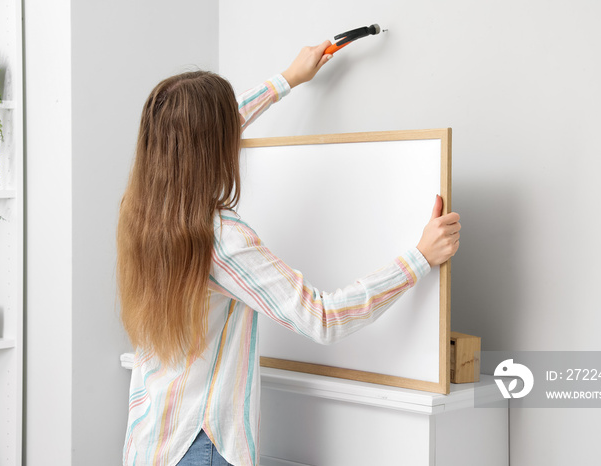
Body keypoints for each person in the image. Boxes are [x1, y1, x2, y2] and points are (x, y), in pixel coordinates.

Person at [117, 41, 461, 466]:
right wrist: (419, 258)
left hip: (150, 437)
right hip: (200, 444)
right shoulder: (222, 241)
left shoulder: (141, 212)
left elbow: (195, 133)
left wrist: (287, 80)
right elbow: (322, 318)